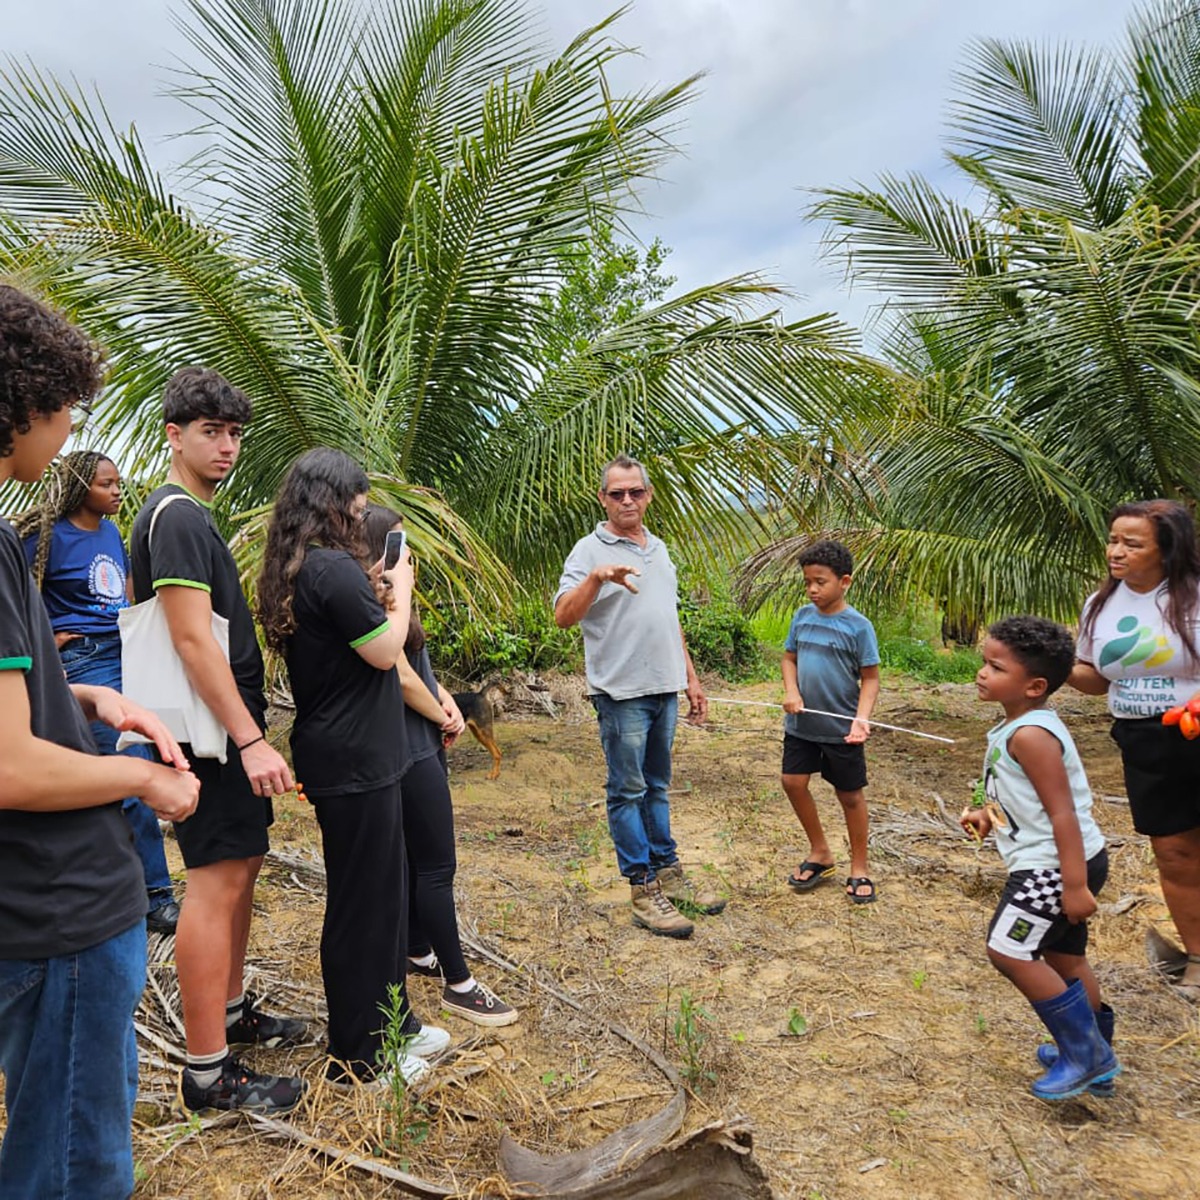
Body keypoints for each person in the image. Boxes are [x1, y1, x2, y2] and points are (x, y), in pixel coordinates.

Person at [0, 284, 200, 1199]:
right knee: (75, 1163)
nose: (73, 421)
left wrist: (82, 697)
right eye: (68, 400)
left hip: (49, 907)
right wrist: (141, 783)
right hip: (56, 912)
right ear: (23, 401)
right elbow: (10, 766)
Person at [129, 366, 306, 1115]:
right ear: (175, 435)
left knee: (242, 867)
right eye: (211, 432)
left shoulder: (192, 516)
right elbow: (192, 643)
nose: (227, 446)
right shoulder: (173, 516)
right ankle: (207, 1072)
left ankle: (231, 1016)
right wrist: (248, 740)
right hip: (210, 736)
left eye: (235, 433)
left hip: (223, 730)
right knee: (214, 881)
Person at [257, 453, 451, 1087]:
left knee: (385, 895)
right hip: (354, 760)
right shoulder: (331, 568)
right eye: (358, 510)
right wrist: (402, 594)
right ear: (329, 505)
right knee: (362, 905)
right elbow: (385, 651)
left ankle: (393, 1022)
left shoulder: (308, 568)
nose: (360, 520)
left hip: (359, 754)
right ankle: (360, 1052)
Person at [363, 505, 519, 1027]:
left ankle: (416, 947)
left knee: (411, 860)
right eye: (398, 544)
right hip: (411, 747)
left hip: (414, 739)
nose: (407, 555)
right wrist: (445, 719)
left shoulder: (386, 601)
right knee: (436, 866)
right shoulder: (381, 602)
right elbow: (401, 675)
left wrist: (446, 698)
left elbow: (419, 671)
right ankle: (460, 982)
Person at [554, 454, 721, 939]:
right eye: (617, 493)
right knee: (627, 790)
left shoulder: (659, 549)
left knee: (658, 786)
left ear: (647, 496)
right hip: (621, 692)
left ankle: (669, 873)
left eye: (636, 492)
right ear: (603, 498)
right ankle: (644, 889)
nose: (627, 500)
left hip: (664, 688)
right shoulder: (588, 551)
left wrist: (690, 678)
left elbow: (669, 619)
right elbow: (564, 616)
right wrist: (597, 579)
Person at [15, 450, 181, 934]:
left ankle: (133, 883)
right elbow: (15, 598)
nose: (117, 491)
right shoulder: (42, 535)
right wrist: (44, 639)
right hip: (83, 662)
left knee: (145, 761)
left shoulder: (111, 532)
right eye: (107, 484)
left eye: (118, 482)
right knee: (131, 770)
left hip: (125, 653)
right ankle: (155, 896)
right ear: (80, 488)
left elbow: (123, 594)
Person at [961, 617, 1119, 1100]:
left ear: (1034, 686)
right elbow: (1025, 797)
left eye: (995, 666)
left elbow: (1062, 813)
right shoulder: (1019, 725)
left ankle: (1086, 1055)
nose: (983, 673)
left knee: (1007, 949)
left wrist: (1072, 885)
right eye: (984, 663)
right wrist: (990, 815)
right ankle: (1097, 1051)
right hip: (1069, 860)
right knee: (1065, 958)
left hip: (1051, 867)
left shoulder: (1030, 735)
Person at [1071, 500, 1200, 993]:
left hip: (1195, 731)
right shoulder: (1100, 605)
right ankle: (1196, 961)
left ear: (1166, 550)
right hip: (1144, 740)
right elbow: (1096, 680)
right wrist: (1055, 664)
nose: (1116, 552)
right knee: (1174, 852)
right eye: (1113, 540)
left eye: (1132, 543)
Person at [780, 540, 881, 904]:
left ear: (845, 582)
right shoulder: (802, 617)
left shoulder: (858, 627)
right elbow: (789, 659)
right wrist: (792, 691)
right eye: (807, 581)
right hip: (801, 725)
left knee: (849, 795)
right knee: (792, 781)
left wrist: (861, 720)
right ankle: (820, 851)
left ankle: (860, 867)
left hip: (842, 730)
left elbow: (870, 678)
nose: (812, 589)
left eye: (820, 582)